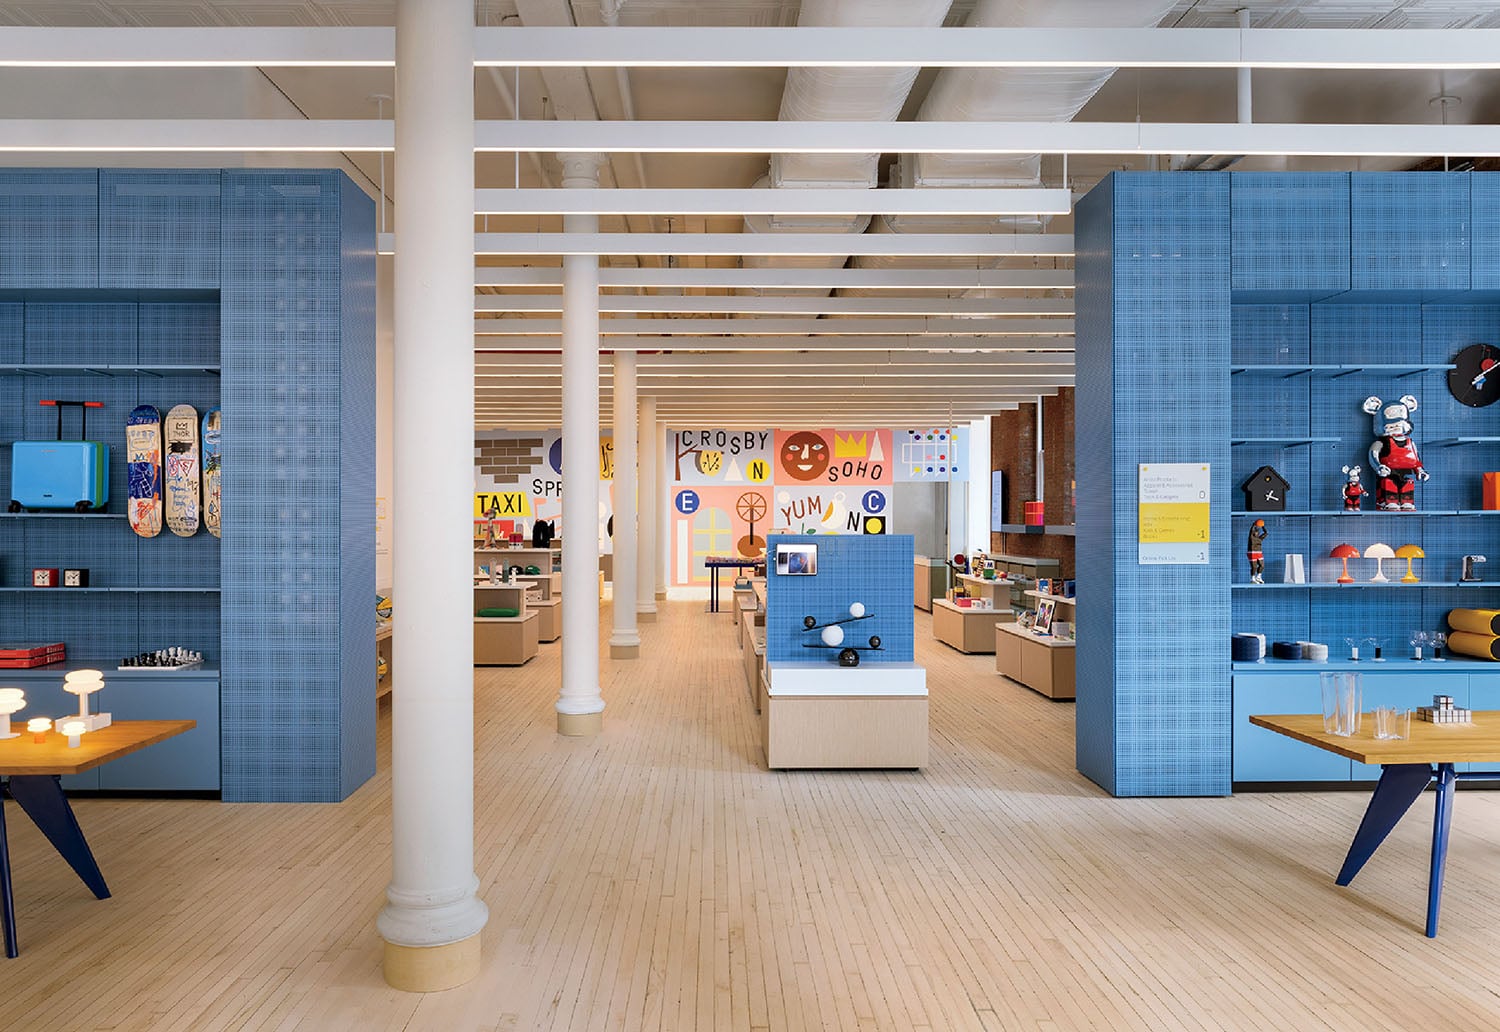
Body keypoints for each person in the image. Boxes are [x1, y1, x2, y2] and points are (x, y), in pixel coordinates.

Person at [1247, 519, 1267, 584]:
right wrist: (1254, 525)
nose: (1257, 533)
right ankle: (1252, 578)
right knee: (1254, 566)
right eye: (1255, 532)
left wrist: (1263, 526)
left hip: (1259, 552)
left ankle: (1258, 577)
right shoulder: (1251, 538)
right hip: (1252, 552)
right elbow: (1251, 531)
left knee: (1262, 565)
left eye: (1257, 532)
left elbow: (1266, 533)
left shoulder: (1259, 538)